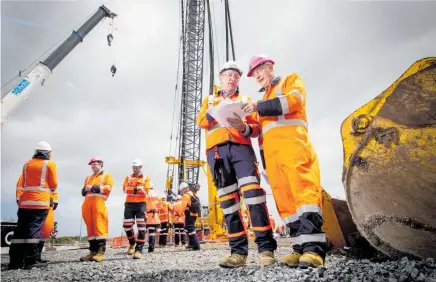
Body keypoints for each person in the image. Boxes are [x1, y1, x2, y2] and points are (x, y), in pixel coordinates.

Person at [242, 54, 327, 268]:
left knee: (303, 194)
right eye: (253, 74)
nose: (257, 76)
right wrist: (265, 165)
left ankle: (314, 250)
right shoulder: (262, 101)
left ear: (269, 66)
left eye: (259, 70)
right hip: (273, 159)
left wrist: (258, 106)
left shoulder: (289, 81)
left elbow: (294, 101)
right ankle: (300, 248)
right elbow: (260, 136)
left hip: (293, 149)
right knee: (286, 202)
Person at [195, 60, 277, 268]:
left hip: (241, 150)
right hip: (217, 154)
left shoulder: (245, 99)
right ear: (221, 78)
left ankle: (266, 250)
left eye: (236, 76)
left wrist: (243, 127)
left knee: (254, 197)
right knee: (229, 204)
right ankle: (238, 253)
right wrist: (215, 113)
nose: (232, 78)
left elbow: (256, 128)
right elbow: (201, 122)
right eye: (228, 75)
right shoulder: (210, 100)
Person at [9, 141, 58, 270]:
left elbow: (24, 183)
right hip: (40, 203)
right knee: (33, 231)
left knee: (20, 231)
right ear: (48, 153)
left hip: (25, 203)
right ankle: (30, 261)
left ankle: (15, 262)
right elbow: (53, 185)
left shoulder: (26, 164)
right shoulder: (49, 164)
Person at [79, 157, 113, 262]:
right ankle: (92, 252)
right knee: (90, 229)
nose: (93, 166)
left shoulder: (107, 176)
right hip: (87, 205)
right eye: (92, 164)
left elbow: (108, 188)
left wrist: (93, 188)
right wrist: (85, 189)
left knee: (100, 227)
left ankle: (101, 252)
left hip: (99, 204)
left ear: (101, 164)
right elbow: (83, 192)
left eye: (95, 164)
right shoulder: (88, 177)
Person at [122, 159, 149, 259]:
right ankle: (132, 243)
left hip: (141, 204)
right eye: (134, 167)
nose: (135, 169)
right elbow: (125, 189)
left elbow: (145, 191)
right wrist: (137, 189)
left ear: (141, 167)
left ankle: (138, 250)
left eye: (137, 167)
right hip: (129, 204)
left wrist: (132, 189)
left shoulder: (146, 178)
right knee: (127, 226)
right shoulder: (128, 177)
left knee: (142, 228)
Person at [179, 182, 201, 251]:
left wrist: (179, 213)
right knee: (187, 228)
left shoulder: (186, 195)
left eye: (181, 190)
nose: (181, 191)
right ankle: (191, 244)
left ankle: (196, 246)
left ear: (184, 189)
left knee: (190, 229)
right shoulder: (192, 193)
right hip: (193, 214)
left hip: (190, 214)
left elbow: (183, 206)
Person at [144, 182, 160, 253]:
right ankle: (152, 248)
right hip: (156, 217)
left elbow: (143, 205)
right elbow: (160, 206)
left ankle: (150, 248)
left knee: (150, 232)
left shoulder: (146, 194)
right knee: (153, 232)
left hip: (149, 216)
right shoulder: (157, 195)